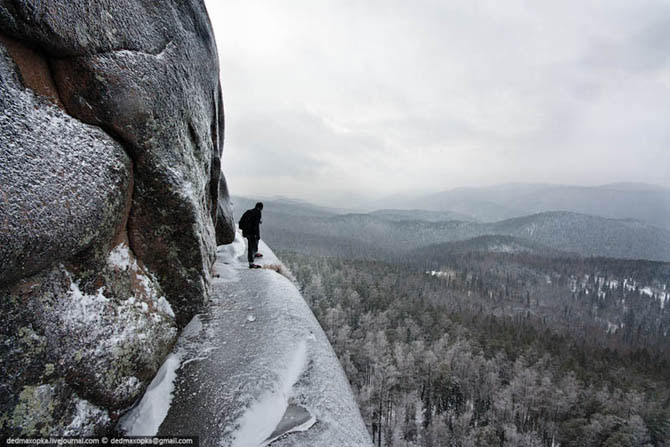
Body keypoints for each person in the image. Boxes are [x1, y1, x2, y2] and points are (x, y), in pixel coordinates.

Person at [239, 202, 264, 269]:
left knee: (253, 243)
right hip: (251, 232)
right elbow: (256, 226)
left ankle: (255, 253)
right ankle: (251, 263)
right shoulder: (258, 213)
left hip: (246, 231)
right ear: (260, 208)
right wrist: (257, 235)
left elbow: (244, 222)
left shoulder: (249, 212)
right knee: (251, 245)